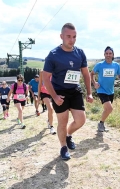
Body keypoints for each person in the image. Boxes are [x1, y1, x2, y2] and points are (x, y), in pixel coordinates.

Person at [43, 22, 93, 160]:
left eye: (74, 36)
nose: (72, 40)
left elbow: (86, 74)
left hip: (74, 90)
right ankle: (63, 147)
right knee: (62, 122)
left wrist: (89, 93)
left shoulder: (80, 53)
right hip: (59, 92)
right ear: (61, 36)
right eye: (69, 36)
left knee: (81, 120)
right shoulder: (53, 55)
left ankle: (68, 135)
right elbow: (46, 78)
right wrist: (54, 96)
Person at [90, 46, 120, 132]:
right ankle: (101, 124)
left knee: (107, 109)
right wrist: (94, 83)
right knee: (110, 108)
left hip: (110, 91)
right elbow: (91, 74)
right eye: (106, 53)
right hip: (101, 90)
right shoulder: (100, 65)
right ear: (104, 54)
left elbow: (119, 74)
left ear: (113, 55)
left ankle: (101, 124)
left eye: (110, 53)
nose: (108, 55)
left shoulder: (116, 65)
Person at [38, 70, 56, 135]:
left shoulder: (55, 72)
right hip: (44, 93)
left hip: (52, 93)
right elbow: (40, 84)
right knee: (50, 108)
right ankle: (51, 127)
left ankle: (49, 121)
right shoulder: (42, 72)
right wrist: (39, 96)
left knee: (52, 110)